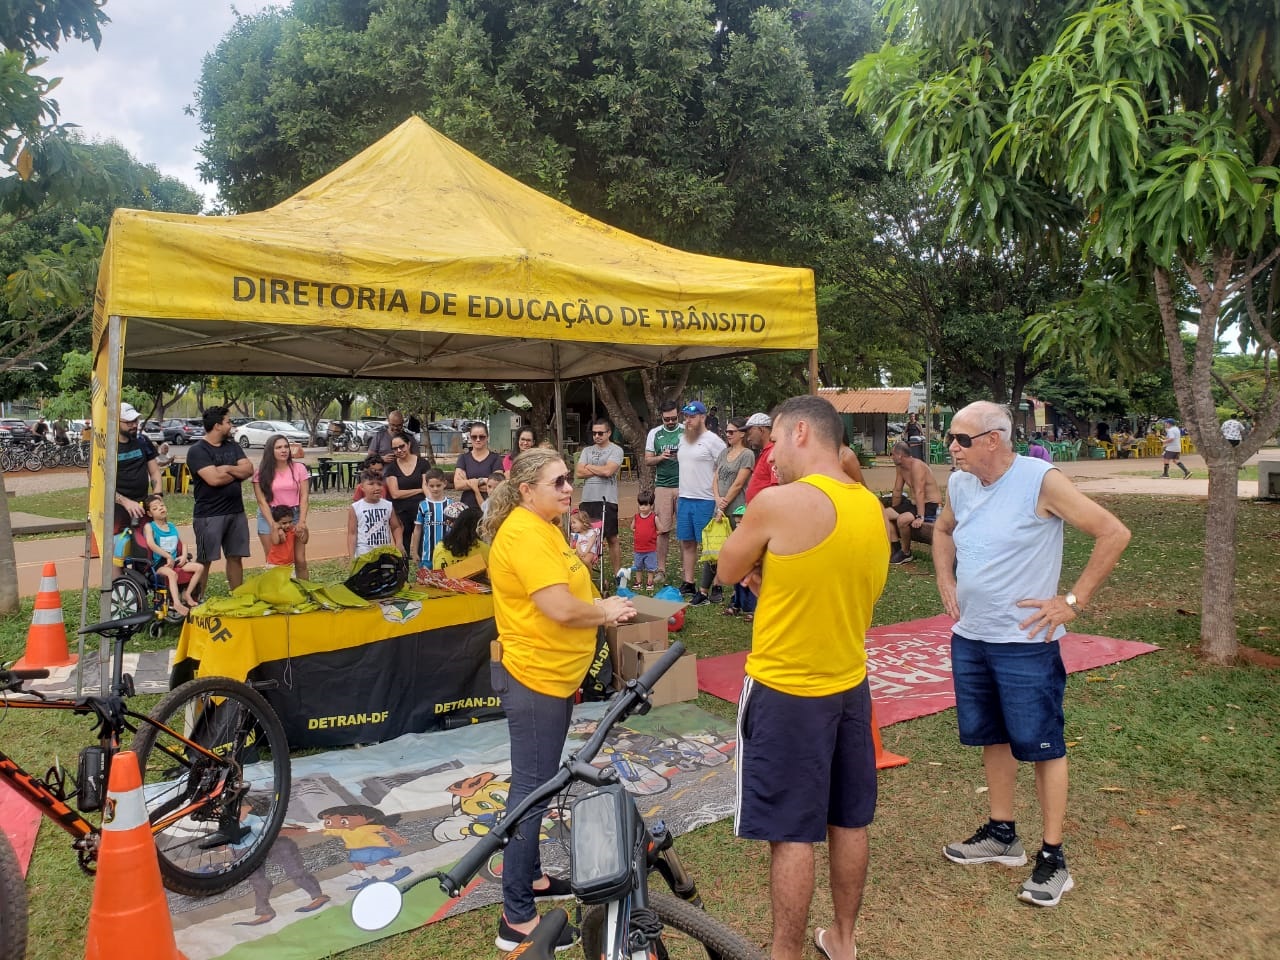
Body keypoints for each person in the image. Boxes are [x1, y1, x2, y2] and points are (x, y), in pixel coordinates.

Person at [933, 400, 1130, 908]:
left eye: (960, 438)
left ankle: (1053, 858)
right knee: (992, 736)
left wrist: (1072, 601)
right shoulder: (959, 482)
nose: (949, 446)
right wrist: (944, 577)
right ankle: (1002, 835)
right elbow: (942, 530)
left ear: (993, 440)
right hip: (973, 636)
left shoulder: (1040, 480)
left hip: (1025, 642)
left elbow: (1113, 531)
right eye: (949, 437)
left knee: (1043, 745)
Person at [715, 395, 890, 960]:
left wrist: (763, 569)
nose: (771, 457)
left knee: (791, 831)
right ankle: (842, 938)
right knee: (848, 818)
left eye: (774, 443)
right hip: (848, 682)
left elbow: (725, 569)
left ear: (798, 434)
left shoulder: (778, 503)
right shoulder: (868, 504)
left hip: (787, 687)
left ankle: (784, 951)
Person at [482, 448, 636, 951]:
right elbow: (558, 608)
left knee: (542, 783)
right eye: (559, 482)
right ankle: (516, 915)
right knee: (532, 790)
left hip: (552, 676)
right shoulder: (524, 533)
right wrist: (603, 609)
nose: (570, 489)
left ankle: (535, 879)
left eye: (569, 479)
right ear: (526, 490)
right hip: (533, 680)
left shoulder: (544, 526)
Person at [187, 406, 254, 592]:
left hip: (236, 512)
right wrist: (237, 472)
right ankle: (196, 600)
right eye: (228, 422)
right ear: (217, 426)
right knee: (204, 560)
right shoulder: (197, 451)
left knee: (235, 556)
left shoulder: (233, 445)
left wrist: (227, 468)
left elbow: (249, 469)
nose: (231, 426)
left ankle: (238, 597)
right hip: (209, 515)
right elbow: (214, 479)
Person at [691, 417, 754, 605]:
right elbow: (716, 478)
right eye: (726, 431)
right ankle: (703, 591)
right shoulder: (724, 453)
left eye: (731, 432)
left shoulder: (747, 454)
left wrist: (723, 504)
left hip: (737, 509)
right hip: (720, 506)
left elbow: (739, 483)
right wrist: (718, 499)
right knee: (713, 547)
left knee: (735, 550)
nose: (727, 435)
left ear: (742, 433)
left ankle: (737, 595)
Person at [674, 400, 726, 598]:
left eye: (692, 416)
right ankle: (689, 582)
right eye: (686, 416)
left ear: (703, 417)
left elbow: (723, 468)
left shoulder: (713, 441)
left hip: (705, 498)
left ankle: (716, 584)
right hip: (685, 497)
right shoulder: (682, 439)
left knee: (709, 544)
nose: (688, 420)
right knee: (687, 542)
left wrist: (719, 499)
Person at [251, 434, 311, 579]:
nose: (283, 450)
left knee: (300, 560)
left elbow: (304, 497)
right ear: (270, 451)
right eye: (278, 447)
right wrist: (274, 525)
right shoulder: (261, 473)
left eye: (286, 447)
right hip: (269, 516)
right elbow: (261, 501)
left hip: (294, 514)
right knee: (274, 561)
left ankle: (305, 592)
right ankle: (278, 595)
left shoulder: (299, 468)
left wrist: (302, 521)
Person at [575, 417, 624, 575]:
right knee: (585, 536)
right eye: (594, 433)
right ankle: (586, 572)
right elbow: (579, 472)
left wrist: (588, 466)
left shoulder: (616, 450)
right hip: (587, 500)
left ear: (608, 433)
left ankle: (617, 574)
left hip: (607, 500)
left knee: (611, 537)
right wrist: (599, 468)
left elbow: (608, 471)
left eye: (600, 433)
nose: (597, 436)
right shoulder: (586, 450)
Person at [883, 441, 943, 565]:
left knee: (902, 520)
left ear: (900, 455)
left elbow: (919, 491)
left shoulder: (917, 466)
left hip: (930, 505)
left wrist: (920, 517)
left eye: (892, 454)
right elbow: (898, 490)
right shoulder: (900, 467)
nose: (891, 457)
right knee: (885, 514)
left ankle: (906, 553)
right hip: (915, 504)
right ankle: (896, 548)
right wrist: (896, 508)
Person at [141, 493, 203, 615]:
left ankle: (187, 594)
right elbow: (151, 544)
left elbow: (183, 543)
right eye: (155, 508)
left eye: (162, 505)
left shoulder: (172, 526)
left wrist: (184, 556)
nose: (160, 508)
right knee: (172, 574)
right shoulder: (150, 526)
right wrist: (167, 556)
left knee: (199, 567)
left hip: (175, 561)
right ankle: (176, 603)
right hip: (160, 565)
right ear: (149, 514)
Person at [643, 400, 683, 580]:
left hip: (685, 485)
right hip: (663, 486)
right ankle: (661, 569)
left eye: (674, 418)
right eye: (667, 419)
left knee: (684, 530)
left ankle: (685, 569)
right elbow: (647, 460)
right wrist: (661, 457)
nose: (671, 422)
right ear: (662, 418)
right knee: (662, 529)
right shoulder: (655, 433)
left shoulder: (686, 431)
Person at [113, 402, 163, 529]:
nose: (134, 425)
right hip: (116, 508)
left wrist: (157, 496)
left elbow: (154, 472)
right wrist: (125, 502)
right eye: (129, 422)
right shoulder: (106, 448)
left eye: (136, 420)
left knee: (146, 543)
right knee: (119, 545)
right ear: (115, 422)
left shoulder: (143, 441)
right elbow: (98, 485)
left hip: (142, 506)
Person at [384, 435, 429, 554]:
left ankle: (424, 570)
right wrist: (419, 490)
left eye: (401, 446)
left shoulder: (423, 464)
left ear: (408, 445)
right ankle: (403, 571)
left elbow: (427, 486)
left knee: (423, 545)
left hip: (421, 511)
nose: (399, 450)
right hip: (401, 513)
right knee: (403, 548)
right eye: (395, 448)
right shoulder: (392, 468)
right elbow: (395, 494)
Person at [348, 469, 401, 560]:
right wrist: (352, 556)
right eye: (371, 484)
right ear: (362, 487)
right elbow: (352, 533)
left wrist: (399, 543)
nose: (376, 487)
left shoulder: (388, 505)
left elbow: (396, 527)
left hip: (384, 553)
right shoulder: (356, 507)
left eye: (379, 484)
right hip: (364, 554)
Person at [410, 468, 457, 569]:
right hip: (427, 555)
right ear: (426, 485)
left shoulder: (451, 505)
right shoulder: (423, 505)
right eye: (431, 486)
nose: (435, 489)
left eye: (438, 485)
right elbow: (417, 529)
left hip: (447, 553)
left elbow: (456, 529)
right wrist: (414, 552)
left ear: (445, 483)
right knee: (427, 583)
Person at [454, 423, 502, 510]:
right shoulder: (463, 458)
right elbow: (458, 485)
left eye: (482, 437)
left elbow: (497, 485)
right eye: (474, 437)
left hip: (490, 508)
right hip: (467, 507)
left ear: (487, 437)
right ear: (470, 438)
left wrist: (469, 482)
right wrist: (483, 480)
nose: (478, 439)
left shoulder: (495, 458)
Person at [433, 505, 490, 570]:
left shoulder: (440, 546)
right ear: (477, 527)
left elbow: (435, 571)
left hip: (444, 579)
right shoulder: (485, 549)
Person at [631, 490, 659, 591]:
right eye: (640, 505)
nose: (642, 507)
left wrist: (653, 535)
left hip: (650, 548)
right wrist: (638, 532)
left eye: (645, 505)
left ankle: (650, 582)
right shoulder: (636, 517)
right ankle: (638, 582)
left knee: (650, 567)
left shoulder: (654, 517)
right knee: (638, 566)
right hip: (638, 548)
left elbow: (660, 528)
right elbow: (632, 527)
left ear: (651, 505)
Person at [264, 505, 298, 570]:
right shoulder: (275, 531)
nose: (288, 525)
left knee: (289, 580)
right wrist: (277, 529)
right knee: (275, 580)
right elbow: (275, 541)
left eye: (290, 522)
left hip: (289, 564)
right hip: (274, 564)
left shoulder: (292, 530)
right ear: (276, 522)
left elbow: (305, 540)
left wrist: (305, 529)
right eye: (284, 523)